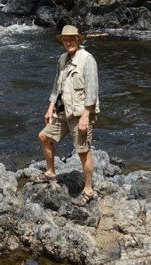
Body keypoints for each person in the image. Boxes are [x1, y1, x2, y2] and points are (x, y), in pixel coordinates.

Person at [38, 24, 99, 204]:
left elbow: (92, 91)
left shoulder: (87, 59)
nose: (69, 42)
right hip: (62, 111)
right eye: (65, 39)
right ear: (62, 41)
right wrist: (50, 108)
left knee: (82, 151)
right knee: (43, 137)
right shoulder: (62, 59)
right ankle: (50, 173)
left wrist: (86, 116)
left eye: (72, 38)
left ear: (78, 40)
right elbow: (56, 86)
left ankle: (88, 190)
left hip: (80, 113)